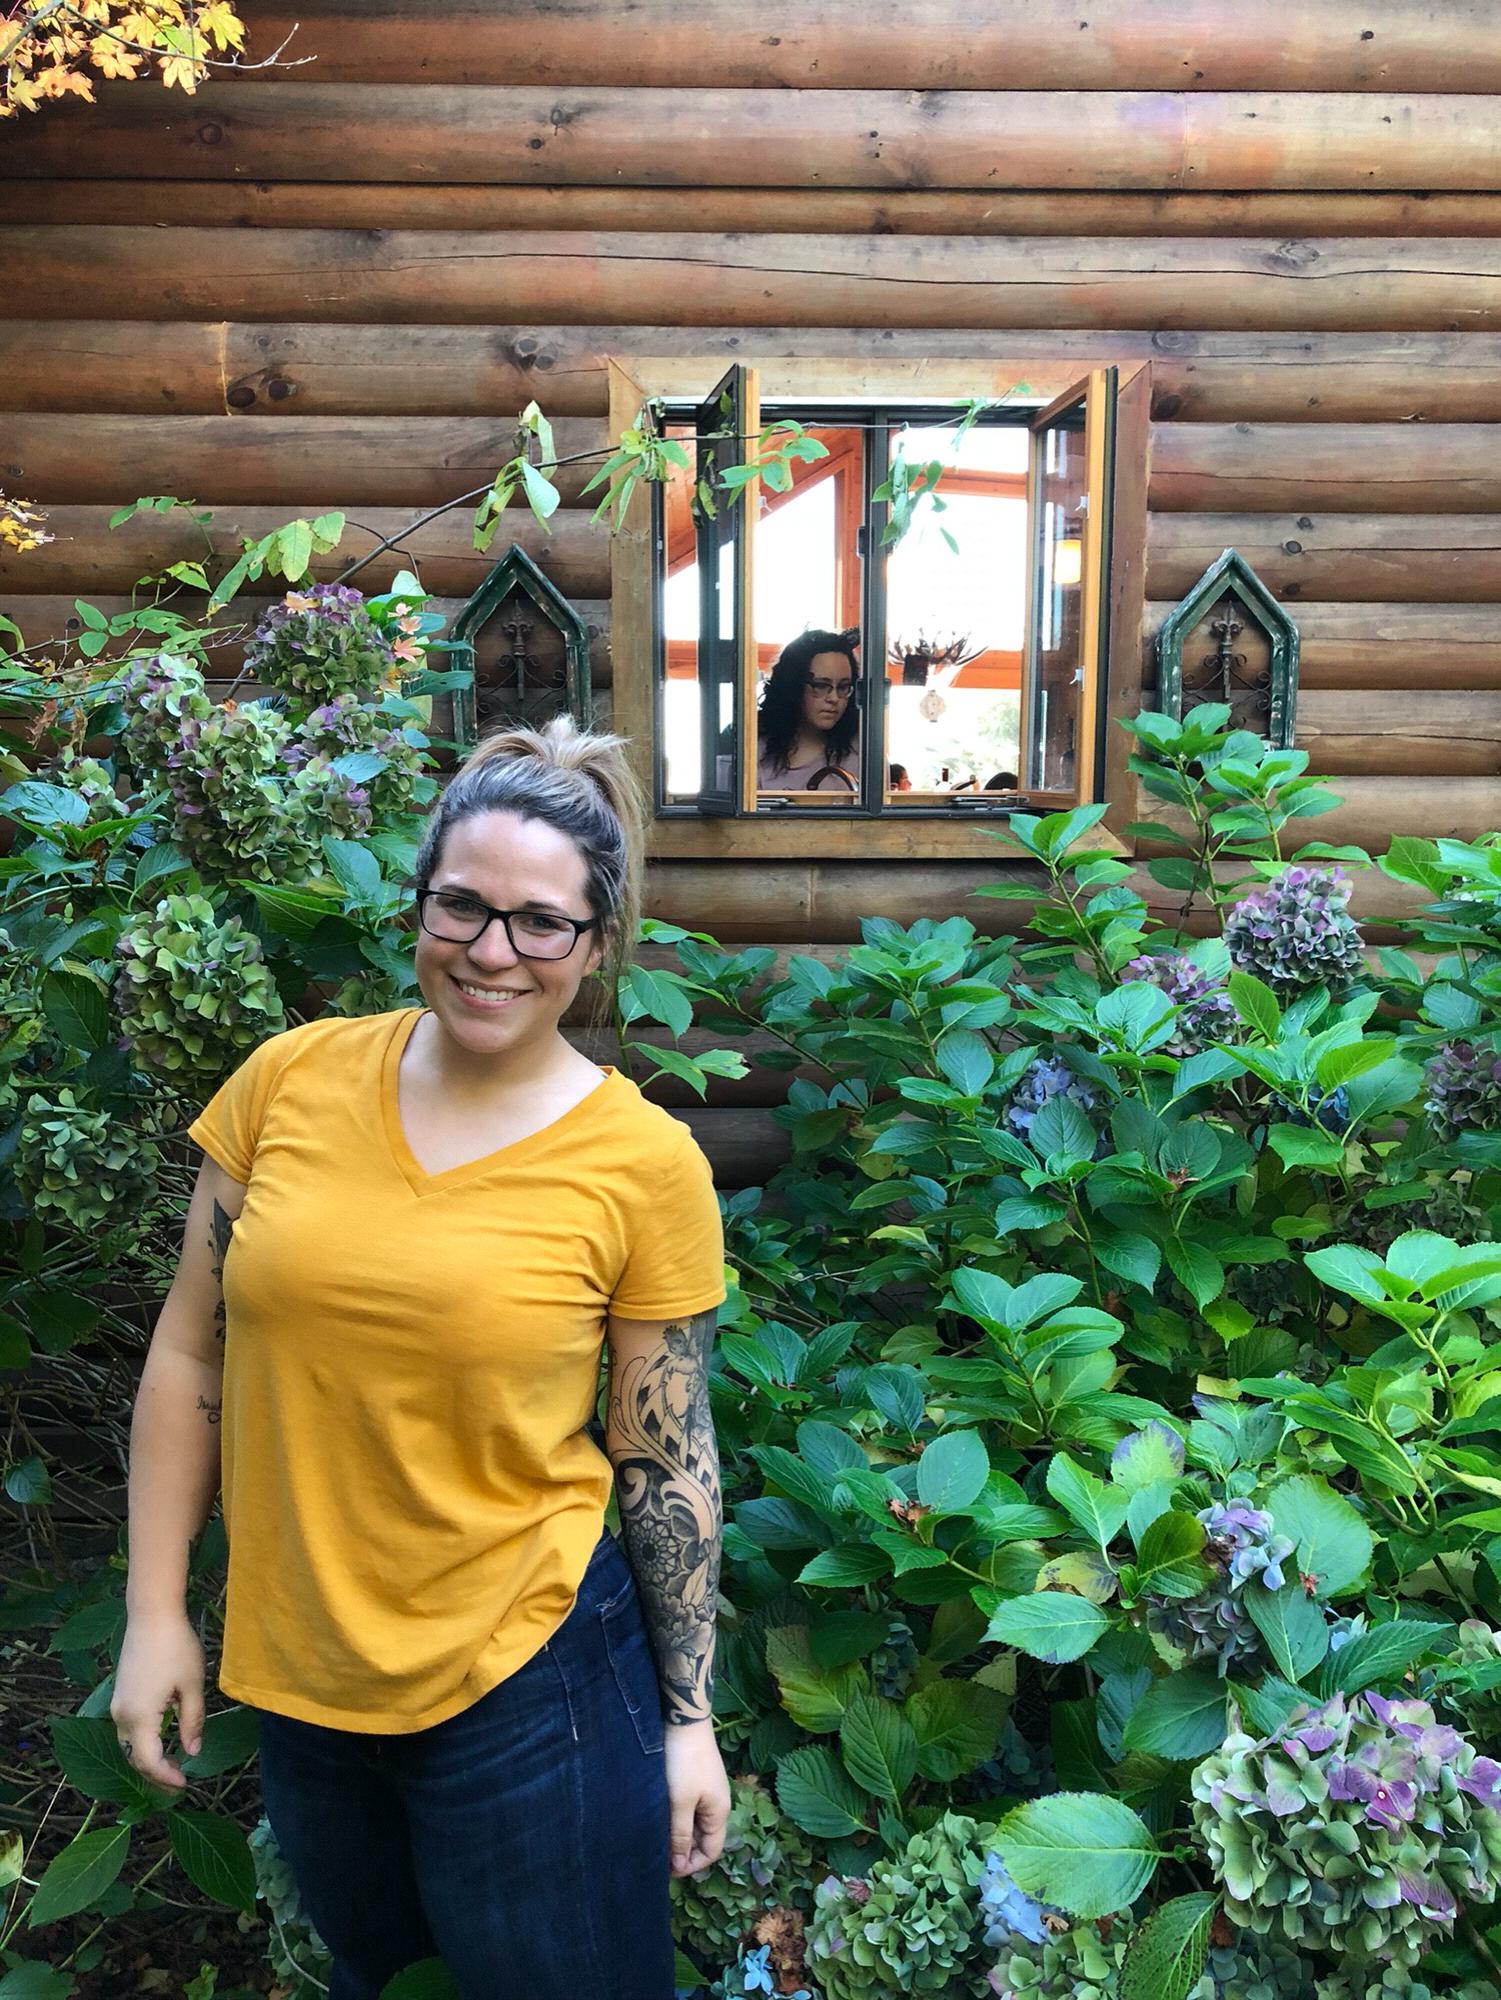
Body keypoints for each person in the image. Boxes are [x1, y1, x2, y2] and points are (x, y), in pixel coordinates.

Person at [112, 718, 732, 2000]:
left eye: (540, 922)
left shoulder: (644, 1163)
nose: (492, 951)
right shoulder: (288, 1083)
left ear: (596, 946)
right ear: (420, 902)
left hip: (529, 1682)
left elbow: (664, 1455)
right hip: (303, 1683)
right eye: (463, 904)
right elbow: (190, 1352)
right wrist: (155, 1611)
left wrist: (687, 1718)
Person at [755, 627, 860, 791]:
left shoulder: (864, 751)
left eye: (843, 687)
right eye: (820, 686)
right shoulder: (755, 751)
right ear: (792, 686)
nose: (834, 698)